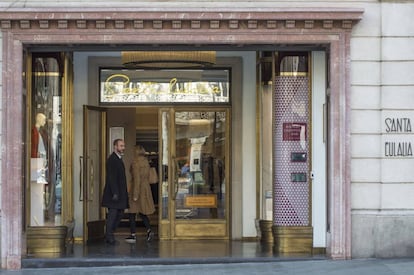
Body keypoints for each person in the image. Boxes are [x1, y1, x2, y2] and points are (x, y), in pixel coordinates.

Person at [125, 145, 155, 243]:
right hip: (146, 188)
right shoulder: (146, 162)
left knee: (132, 213)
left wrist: (135, 195)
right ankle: (149, 229)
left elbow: (137, 179)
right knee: (143, 212)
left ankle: (133, 235)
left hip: (138, 188)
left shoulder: (135, 162)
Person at [101, 139, 129, 245]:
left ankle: (110, 234)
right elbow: (112, 178)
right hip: (114, 194)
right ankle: (109, 235)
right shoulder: (112, 159)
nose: (123, 148)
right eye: (121, 146)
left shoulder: (118, 159)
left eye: (123, 146)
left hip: (119, 193)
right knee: (113, 214)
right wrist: (115, 193)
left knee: (119, 213)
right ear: (115, 147)